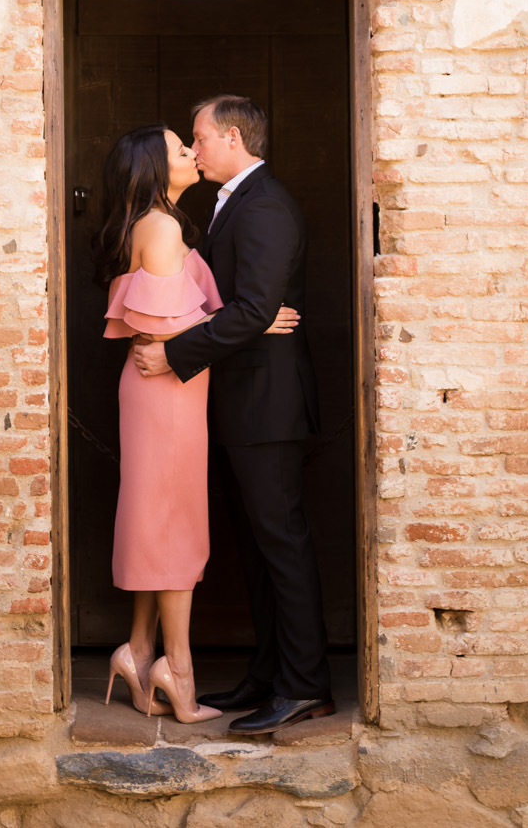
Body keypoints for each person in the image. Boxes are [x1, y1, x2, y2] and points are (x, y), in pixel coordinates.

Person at [130, 95, 333, 734]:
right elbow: (245, 310)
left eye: (200, 138)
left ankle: (304, 686)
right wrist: (239, 318)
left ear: (234, 137)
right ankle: (271, 672)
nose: (194, 149)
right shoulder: (232, 202)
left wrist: (174, 354)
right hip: (243, 396)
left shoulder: (266, 204)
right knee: (258, 545)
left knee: (282, 543)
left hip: (268, 403)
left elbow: (253, 308)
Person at [95, 124, 301, 723]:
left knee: (154, 514)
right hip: (166, 390)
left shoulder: (162, 222)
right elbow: (160, 334)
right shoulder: (160, 228)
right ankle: (177, 674)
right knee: (172, 521)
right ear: (155, 168)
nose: (191, 151)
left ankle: (139, 652)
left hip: (169, 389)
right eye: (178, 148)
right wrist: (253, 321)